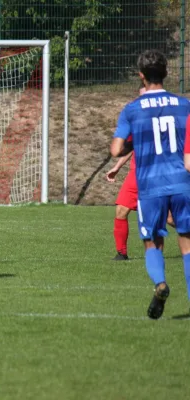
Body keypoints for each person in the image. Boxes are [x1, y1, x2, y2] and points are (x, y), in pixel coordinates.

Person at [110, 49, 190, 319]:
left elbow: (116, 149)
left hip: (150, 186)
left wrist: (133, 143)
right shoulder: (184, 105)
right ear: (166, 73)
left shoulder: (132, 109)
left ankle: (160, 284)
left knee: (152, 241)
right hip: (181, 182)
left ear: (141, 76)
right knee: (187, 241)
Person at [107, 87, 175, 261]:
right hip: (135, 174)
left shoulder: (164, 120)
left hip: (155, 174)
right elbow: (131, 146)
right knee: (121, 210)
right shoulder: (137, 118)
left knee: (169, 218)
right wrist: (117, 167)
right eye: (141, 95)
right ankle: (121, 253)